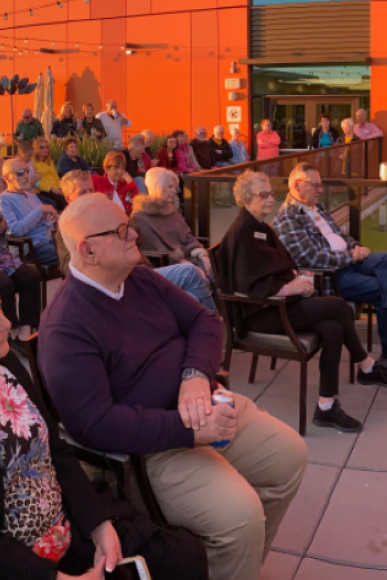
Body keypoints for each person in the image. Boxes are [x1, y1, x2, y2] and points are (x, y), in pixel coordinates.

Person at [40, 193, 307, 580]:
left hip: (206, 405)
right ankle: (236, 554)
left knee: (289, 457)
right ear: (89, 250)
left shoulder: (140, 278)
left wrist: (195, 376)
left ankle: (238, 564)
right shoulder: (67, 326)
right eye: (122, 230)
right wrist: (188, 430)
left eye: (128, 222)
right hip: (154, 448)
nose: (134, 233)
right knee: (241, 516)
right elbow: (92, 424)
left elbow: (206, 322)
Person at [0, 286, 210, 580]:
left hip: (65, 520)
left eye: (1, 308)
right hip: (18, 562)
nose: (6, 323)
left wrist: (97, 523)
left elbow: (57, 451)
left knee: (183, 555)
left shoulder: (5, 365)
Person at [220, 171, 387, 431]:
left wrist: (299, 277)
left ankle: (326, 407)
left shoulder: (261, 227)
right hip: (261, 313)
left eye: (271, 193)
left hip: (280, 303)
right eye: (263, 195)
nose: (271, 199)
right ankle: (366, 365)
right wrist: (289, 287)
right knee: (337, 305)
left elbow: (278, 264)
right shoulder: (243, 233)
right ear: (245, 199)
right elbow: (250, 286)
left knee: (334, 328)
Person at [273, 163, 387, 379]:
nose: (320, 190)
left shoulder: (317, 208)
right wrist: (350, 256)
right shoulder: (288, 218)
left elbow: (339, 235)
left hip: (349, 262)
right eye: (316, 185)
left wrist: (354, 246)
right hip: (330, 278)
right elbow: (312, 258)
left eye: (321, 186)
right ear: (297, 184)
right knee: (383, 288)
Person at [58, 170, 215, 310]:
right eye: (82, 192)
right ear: (68, 198)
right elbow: (70, 267)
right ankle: (213, 324)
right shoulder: (68, 230)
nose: (89, 196)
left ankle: (204, 327)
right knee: (189, 273)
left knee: (192, 296)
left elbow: (134, 238)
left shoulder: (106, 216)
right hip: (124, 280)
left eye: (91, 190)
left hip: (142, 270)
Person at [132, 168, 210, 275]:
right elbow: (154, 253)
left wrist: (202, 255)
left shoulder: (172, 211)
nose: (174, 191)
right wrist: (180, 261)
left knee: (214, 267)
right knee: (194, 273)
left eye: (175, 187)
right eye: (170, 187)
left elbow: (187, 236)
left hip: (187, 259)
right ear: (156, 187)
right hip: (164, 268)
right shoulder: (140, 217)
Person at [0, 197, 43, 342]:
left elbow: (1, 231)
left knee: (30, 276)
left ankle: (26, 331)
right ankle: (13, 329)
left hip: (0, 257)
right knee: (3, 284)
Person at [0, 158, 60, 267]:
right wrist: (39, 210)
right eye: (20, 173)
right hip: (30, 247)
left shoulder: (30, 195)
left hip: (48, 239)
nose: (26, 176)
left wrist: (54, 220)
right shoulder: (2, 200)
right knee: (74, 256)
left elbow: (46, 219)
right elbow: (14, 231)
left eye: (27, 171)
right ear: (7, 178)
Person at [32, 137, 66, 211]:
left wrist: (60, 188)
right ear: (36, 148)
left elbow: (55, 176)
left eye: (46, 147)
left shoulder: (49, 161)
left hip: (55, 189)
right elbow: (35, 182)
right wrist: (51, 189)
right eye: (42, 147)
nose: (45, 149)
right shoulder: (33, 163)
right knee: (63, 204)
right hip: (43, 190)